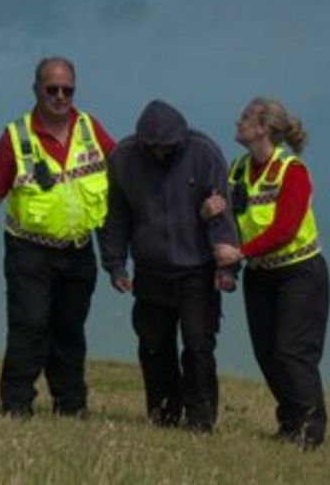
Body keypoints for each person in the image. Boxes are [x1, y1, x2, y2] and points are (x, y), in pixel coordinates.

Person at [0, 56, 115, 417]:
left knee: (70, 329)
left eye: (67, 89)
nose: (60, 96)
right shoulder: (15, 136)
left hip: (78, 250)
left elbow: (123, 173)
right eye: (52, 89)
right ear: (36, 89)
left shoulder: (90, 129)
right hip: (29, 252)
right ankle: (16, 404)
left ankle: (71, 405)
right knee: (30, 326)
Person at [96, 99, 239, 433]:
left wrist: (227, 269)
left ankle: (200, 418)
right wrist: (116, 265)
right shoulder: (122, 158)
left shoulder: (204, 153)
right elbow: (114, 217)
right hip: (150, 271)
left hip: (197, 271)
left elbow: (222, 215)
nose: (160, 154)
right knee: (154, 346)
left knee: (198, 346)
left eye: (168, 148)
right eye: (153, 148)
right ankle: (163, 415)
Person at [209, 97, 330, 449]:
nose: (238, 121)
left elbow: (286, 228)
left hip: (300, 273)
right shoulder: (236, 169)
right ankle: (290, 421)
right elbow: (229, 221)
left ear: (263, 128)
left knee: (292, 352)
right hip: (261, 275)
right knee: (267, 353)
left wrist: (241, 252)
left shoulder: (292, 171)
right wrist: (210, 213)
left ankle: (310, 431)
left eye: (245, 117)